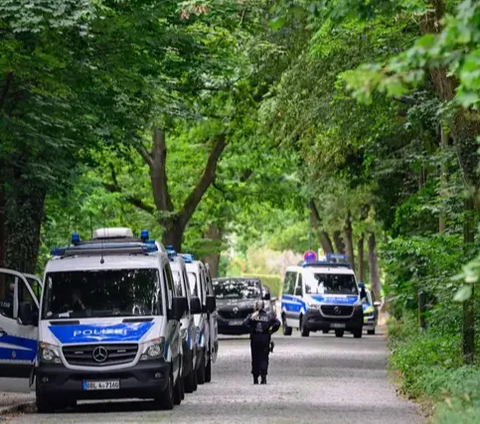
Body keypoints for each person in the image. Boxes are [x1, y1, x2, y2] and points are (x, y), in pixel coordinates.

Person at [243, 300, 280, 385]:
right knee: (264, 358)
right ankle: (263, 377)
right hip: (265, 339)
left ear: (256, 307)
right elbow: (277, 323)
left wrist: (251, 327)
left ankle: (255, 378)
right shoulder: (268, 316)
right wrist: (271, 331)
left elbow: (244, 323)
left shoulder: (252, 316)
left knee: (255, 358)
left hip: (255, 339)